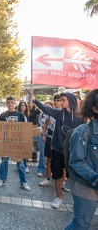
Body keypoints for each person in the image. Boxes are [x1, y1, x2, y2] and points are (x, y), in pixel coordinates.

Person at [29, 90, 82, 209]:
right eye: (60, 100)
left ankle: (77, 200)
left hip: (73, 151)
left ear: (71, 101)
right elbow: (45, 109)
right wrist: (34, 99)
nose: (60, 102)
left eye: (63, 100)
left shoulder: (79, 116)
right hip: (57, 149)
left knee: (75, 177)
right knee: (57, 174)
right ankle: (58, 198)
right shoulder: (58, 113)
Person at [63, 89, 98, 230]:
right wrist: (95, 177)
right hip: (85, 187)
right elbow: (76, 161)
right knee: (80, 225)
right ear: (95, 109)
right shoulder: (82, 132)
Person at [0, 96, 31, 191]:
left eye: (12, 102)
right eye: (8, 102)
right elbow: (0, 129)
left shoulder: (20, 115)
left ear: (15, 103)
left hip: (18, 143)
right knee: (4, 162)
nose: (10, 104)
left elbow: (24, 128)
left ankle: (23, 182)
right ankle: (2, 180)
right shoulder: (3, 115)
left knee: (21, 164)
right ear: (6, 104)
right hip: (6, 142)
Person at [37, 100, 54, 177]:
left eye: (49, 106)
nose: (47, 108)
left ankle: (50, 170)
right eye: (45, 106)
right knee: (42, 153)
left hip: (52, 135)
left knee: (51, 154)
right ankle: (41, 169)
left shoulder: (54, 113)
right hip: (43, 134)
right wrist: (43, 134)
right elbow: (41, 123)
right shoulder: (42, 114)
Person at [17, 101, 30, 174]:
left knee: (24, 151)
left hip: (25, 134)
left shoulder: (27, 115)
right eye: (21, 105)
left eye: (24, 105)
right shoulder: (17, 114)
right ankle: (18, 165)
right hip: (18, 134)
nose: (23, 107)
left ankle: (25, 166)